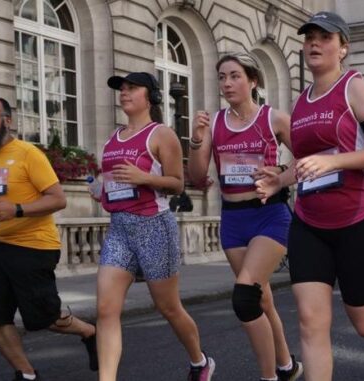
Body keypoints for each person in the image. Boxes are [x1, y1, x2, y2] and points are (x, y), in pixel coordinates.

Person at [254, 11, 364, 380]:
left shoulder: (356, 88)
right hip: (310, 223)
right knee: (311, 324)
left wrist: (335, 163)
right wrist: (279, 180)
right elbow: (305, 162)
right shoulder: (301, 103)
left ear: (343, 48)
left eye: (325, 37)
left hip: (358, 219)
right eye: (310, 36)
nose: (315, 42)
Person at [0, 96, 98, 381]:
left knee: (45, 318)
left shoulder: (28, 153)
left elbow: (58, 199)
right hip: (0, 248)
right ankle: (26, 374)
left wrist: (18, 209)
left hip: (34, 247)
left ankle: (89, 332)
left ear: (7, 120)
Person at [187, 54, 303, 381]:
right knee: (262, 298)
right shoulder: (215, 124)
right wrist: (196, 140)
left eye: (235, 76)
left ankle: (268, 377)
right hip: (233, 220)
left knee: (245, 297)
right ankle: (287, 366)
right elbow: (196, 176)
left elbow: (307, 159)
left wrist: (280, 172)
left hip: (270, 215)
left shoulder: (274, 119)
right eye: (222, 77)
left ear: (252, 81)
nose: (227, 83)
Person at [93, 73, 212, 381]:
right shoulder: (112, 139)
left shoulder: (161, 135)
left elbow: (177, 183)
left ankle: (200, 361)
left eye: (132, 88)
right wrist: (100, 186)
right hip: (119, 228)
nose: (124, 93)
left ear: (152, 96)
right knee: (106, 309)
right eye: (122, 89)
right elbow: (111, 181)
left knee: (169, 308)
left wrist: (144, 178)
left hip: (153, 227)